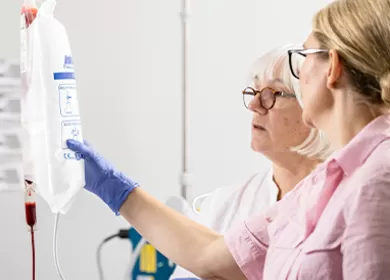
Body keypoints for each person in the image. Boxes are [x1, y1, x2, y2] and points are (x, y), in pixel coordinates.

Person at [67, 0, 390, 278]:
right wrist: (112, 186)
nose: (254, 104)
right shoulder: (326, 184)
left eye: (303, 59)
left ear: (332, 67)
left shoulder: (378, 180)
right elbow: (211, 256)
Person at [170, 44, 330, 279]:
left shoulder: (342, 199)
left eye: (272, 94)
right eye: (254, 92)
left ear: (313, 108)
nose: (254, 105)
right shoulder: (224, 204)